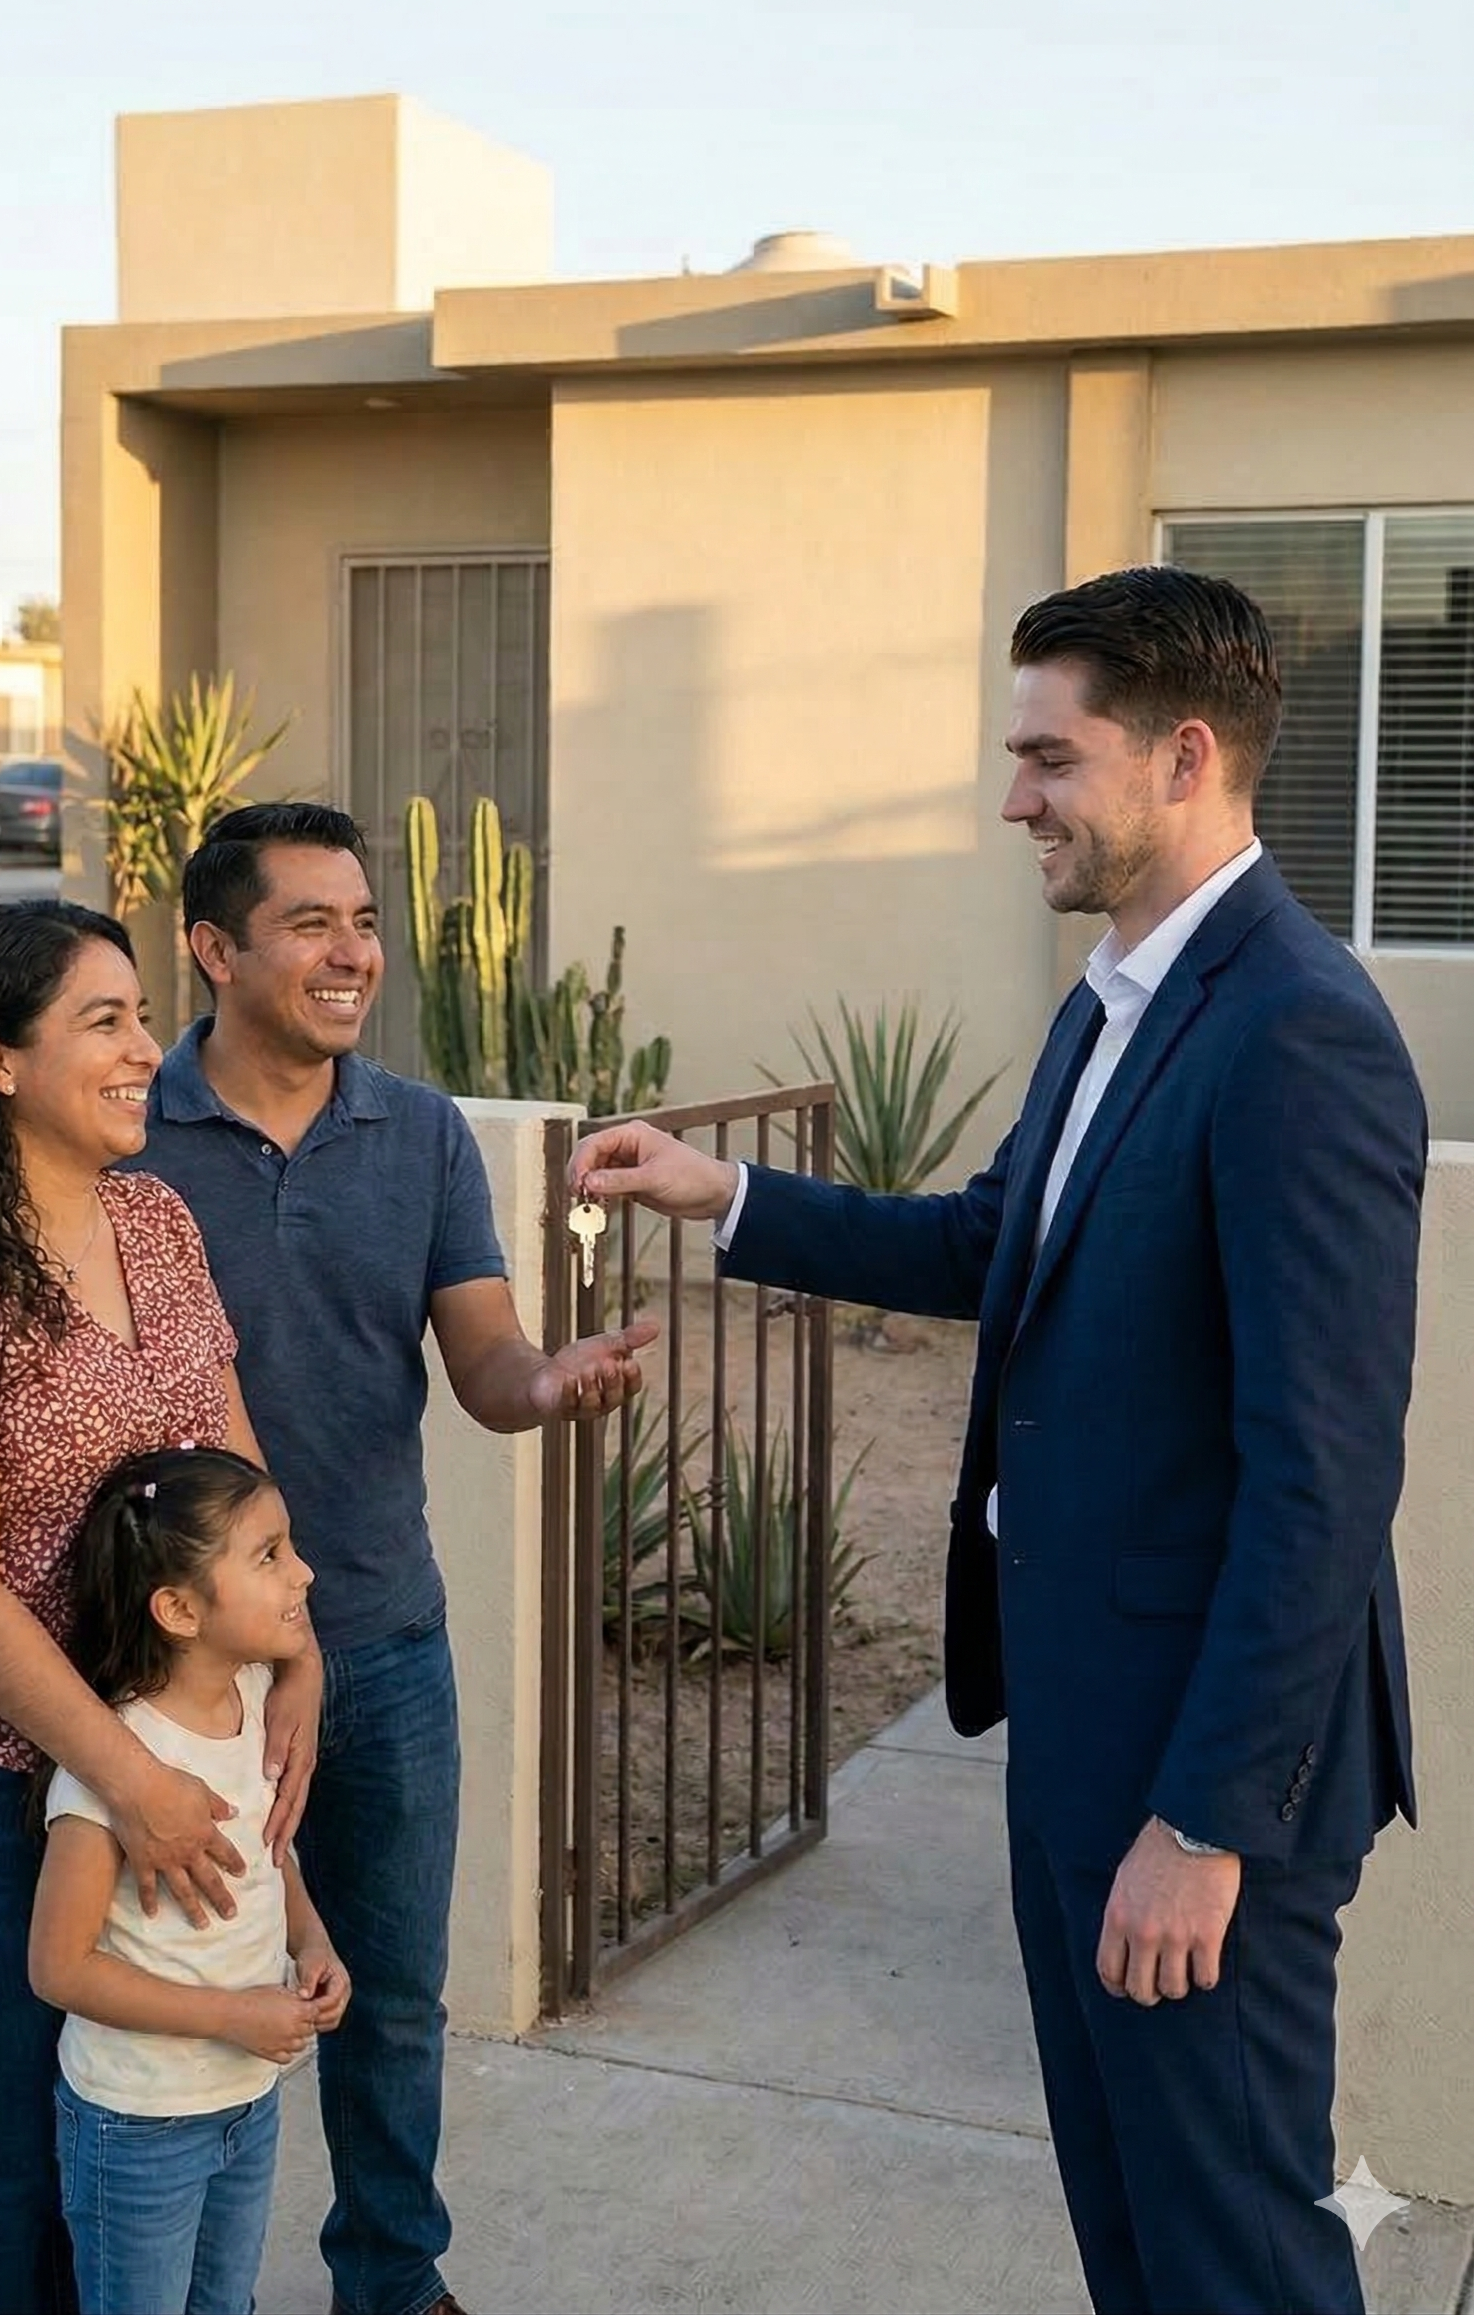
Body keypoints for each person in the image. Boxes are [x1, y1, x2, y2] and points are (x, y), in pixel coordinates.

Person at [571, 565, 1426, 2315]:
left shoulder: (1297, 1035)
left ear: (1182, 755)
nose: (1009, 797)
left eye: (1046, 757)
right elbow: (989, 1247)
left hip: (1201, 1777)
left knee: (1231, 2251)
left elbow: (1319, 1474)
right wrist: (721, 1188)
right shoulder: (1113, 997)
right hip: (1077, 1732)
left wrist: (1199, 1819)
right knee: (1134, 2230)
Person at [126, 802, 657, 2315]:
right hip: (179, 1670)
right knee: (183, 1999)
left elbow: (485, 1356)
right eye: (311, 921)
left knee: (396, 2000)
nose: (354, 949)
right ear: (214, 948)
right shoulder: (129, 1131)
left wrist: (553, 1383)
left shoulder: (418, 1130)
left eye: (363, 918)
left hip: (384, 1638)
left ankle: (390, 2275)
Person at [0, 900, 321, 2315]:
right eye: (103, 1020)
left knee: (124, 2146)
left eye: (143, 1017)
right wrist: (132, 1777)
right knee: (8, 2164)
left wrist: (302, 1658)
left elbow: (239, 1480)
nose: (144, 1051)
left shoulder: (156, 1222)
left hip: (151, 1764)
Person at [31, 1445, 350, 2315]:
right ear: (177, 1608)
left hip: (245, 2098)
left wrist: (311, 1940)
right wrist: (234, 2015)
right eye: (270, 1555)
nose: (305, 1573)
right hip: (138, 2124)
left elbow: (265, 1854)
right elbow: (57, 1969)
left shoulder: (257, 1699)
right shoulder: (118, 1766)